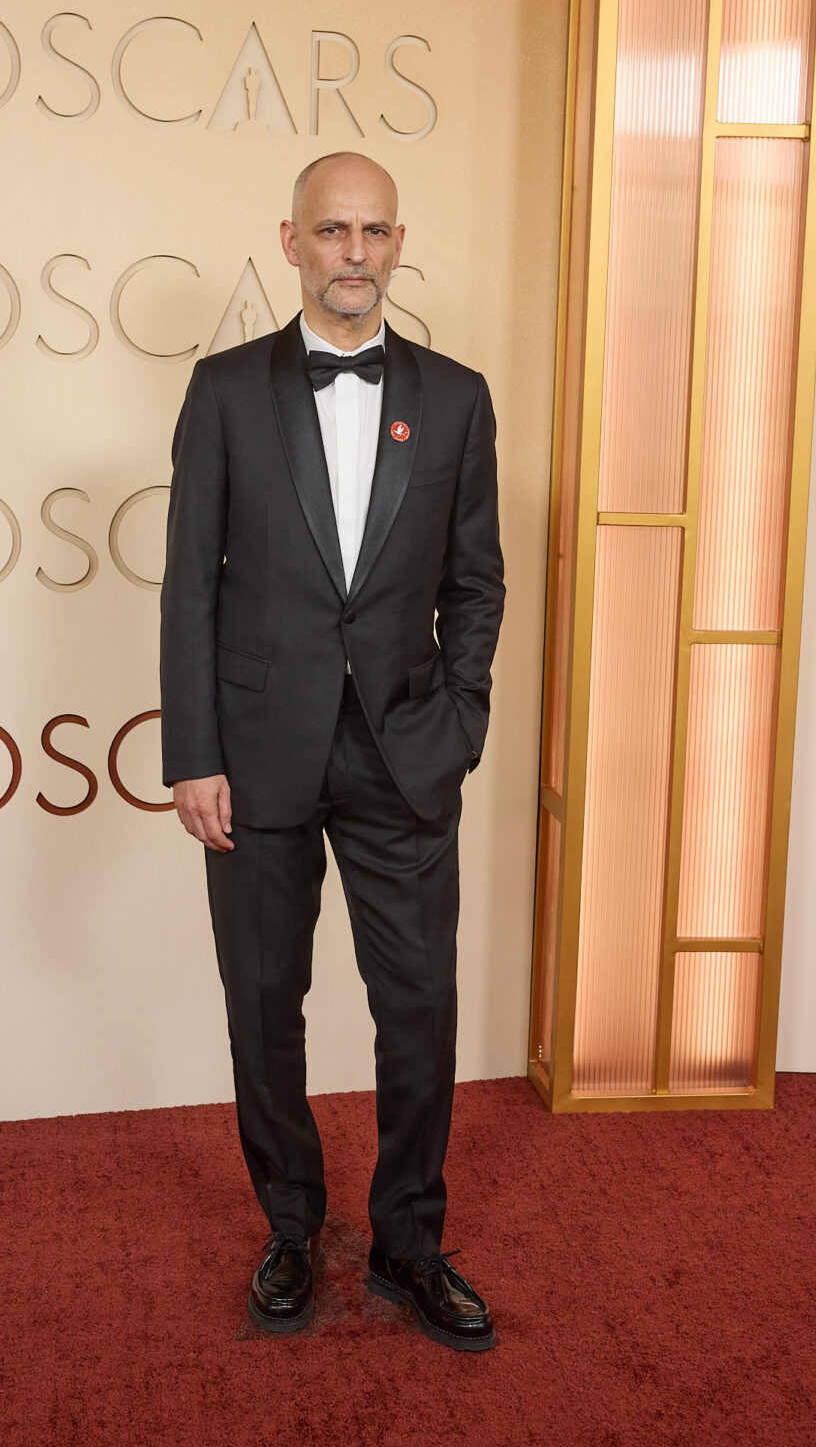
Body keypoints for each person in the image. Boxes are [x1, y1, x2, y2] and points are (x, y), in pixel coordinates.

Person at [159, 152, 505, 1351]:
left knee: (416, 1007)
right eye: (330, 230)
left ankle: (410, 1242)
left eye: (372, 231)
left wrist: (457, 721)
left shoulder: (455, 396)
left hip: (406, 752)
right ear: (289, 242)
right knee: (265, 1003)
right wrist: (192, 754)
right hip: (252, 755)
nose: (353, 251)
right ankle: (289, 1227)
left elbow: (476, 582)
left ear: (396, 242)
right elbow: (187, 590)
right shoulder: (221, 392)